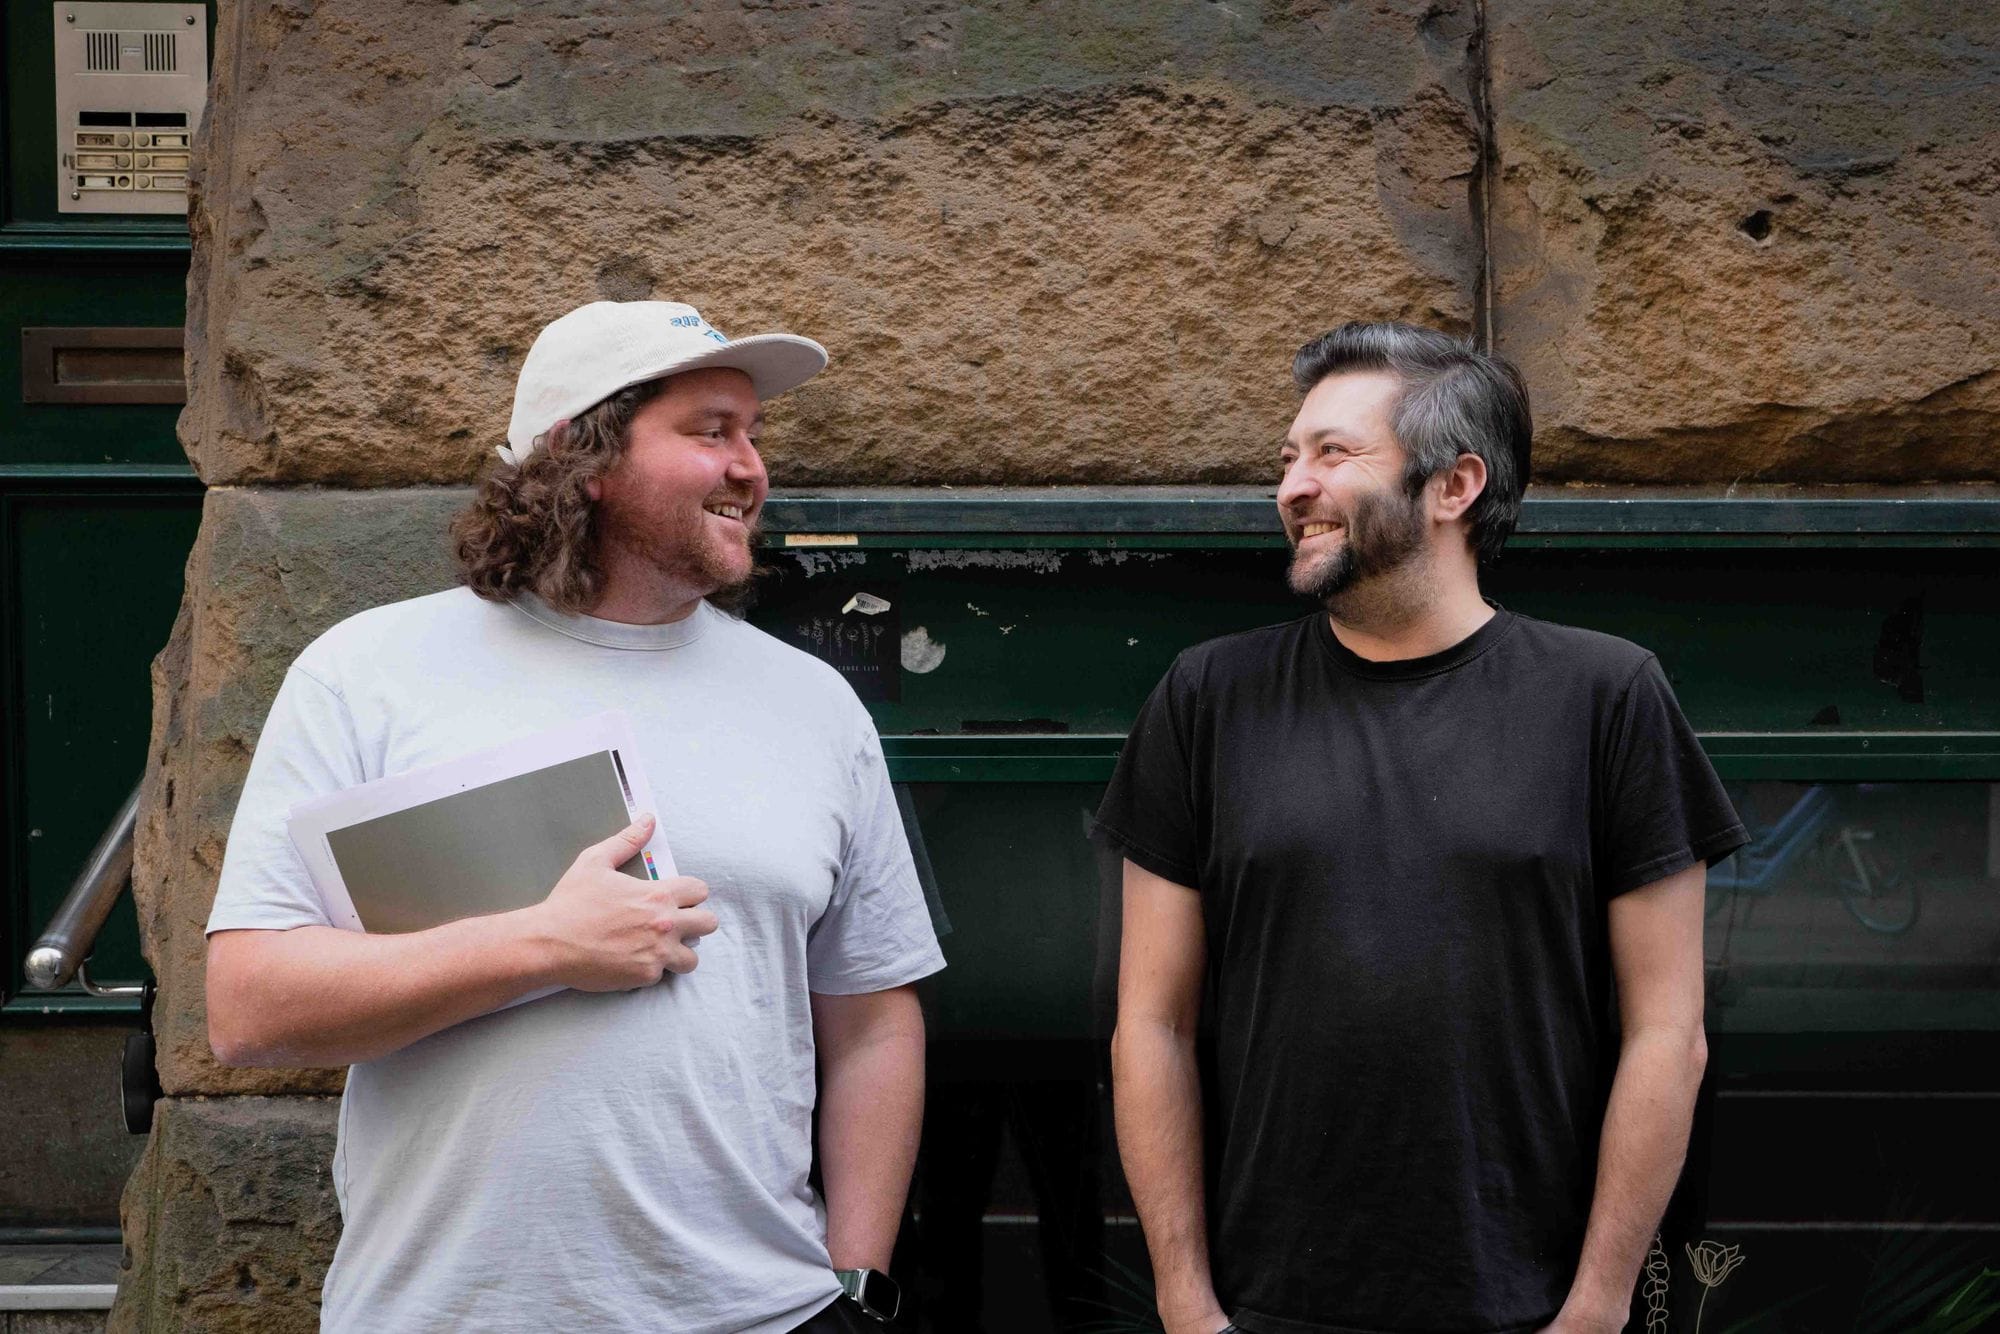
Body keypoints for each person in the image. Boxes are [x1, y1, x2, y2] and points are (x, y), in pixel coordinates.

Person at [204, 301, 945, 1333]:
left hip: (760, 1314)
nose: (750, 468)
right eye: (709, 430)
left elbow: (869, 1014)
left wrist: (856, 1285)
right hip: (449, 1312)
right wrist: (543, 942)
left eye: (753, 433)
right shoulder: (368, 672)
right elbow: (249, 1007)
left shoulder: (812, 703)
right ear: (581, 456)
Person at [1097, 323, 1747, 1334]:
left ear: (1454, 486)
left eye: (1332, 453)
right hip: (1266, 1303)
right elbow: (1151, 1023)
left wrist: (1593, 1306)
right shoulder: (1206, 697)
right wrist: (1186, 1303)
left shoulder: (1604, 695)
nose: (1292, 486)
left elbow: (1667, 1032)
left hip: (1525, 1303)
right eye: (1286, 458)